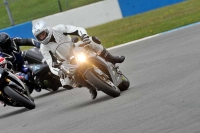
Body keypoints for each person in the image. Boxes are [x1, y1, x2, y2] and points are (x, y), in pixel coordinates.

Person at [32, 20, 125, 100]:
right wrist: (60, 72)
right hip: (66, 61)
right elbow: (51, 65)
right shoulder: (43, 48)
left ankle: (111, 58)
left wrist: (83, 35)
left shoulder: (59, 28)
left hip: (75, 47)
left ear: (47, 29)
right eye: (39, 36)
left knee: (91, 40)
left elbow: (77, 29)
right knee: (65, 82)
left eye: (43, 34)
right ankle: (89, 87)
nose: (42, 37)